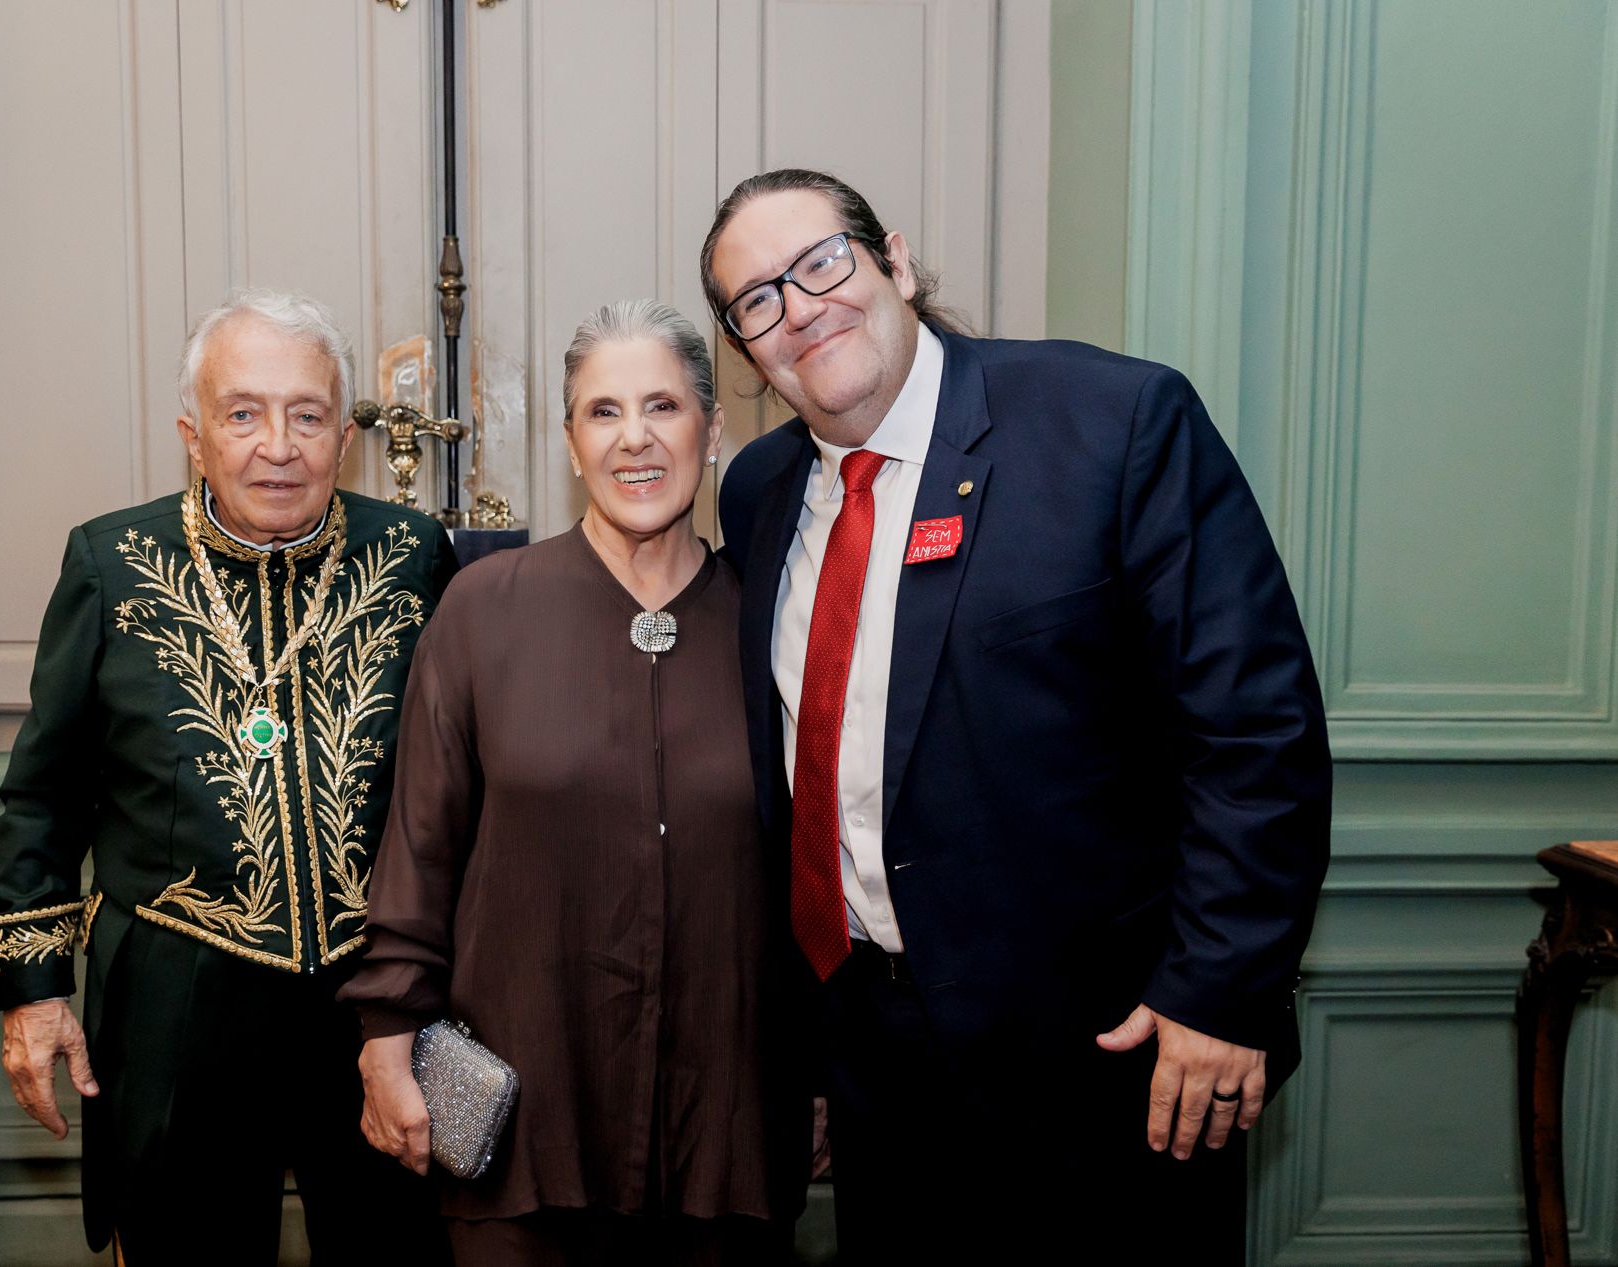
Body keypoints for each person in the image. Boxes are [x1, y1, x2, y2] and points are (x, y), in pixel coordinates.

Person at [702, 169, 1332, 1261]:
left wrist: (1221, 990)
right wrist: (809, 1051)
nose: (799, 308)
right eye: (757, 299)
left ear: (893, 261)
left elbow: (1256, 733)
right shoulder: (760, 494)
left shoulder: (1113, 424)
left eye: (821, 263)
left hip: (1111, 1058)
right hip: (876, 1062)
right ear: (746, 349)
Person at [0, 289, 458, 1265]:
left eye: (308, 414)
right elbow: (43, 795)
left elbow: (462, 784)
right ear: (193, 436)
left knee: (397, 1248)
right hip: (175, 990)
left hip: (376, 995)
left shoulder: (411, 556)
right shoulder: (110, 561)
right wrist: (34, 993)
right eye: (243, 413)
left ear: (344, 435)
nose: (277, 445)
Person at [346, 299, 806, 1266]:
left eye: (663, 408)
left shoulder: (772, 623)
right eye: (602, 412)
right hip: (524, 1126)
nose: (633, 439)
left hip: (723, 1129)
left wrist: (819, 1071)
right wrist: (387, 1038)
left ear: (712, 431)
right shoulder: (484, 609)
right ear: (568, 439)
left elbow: (813, 867)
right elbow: (420, 844)